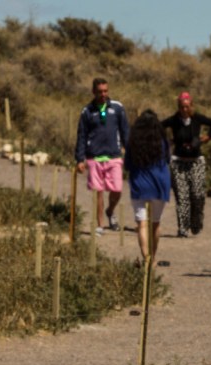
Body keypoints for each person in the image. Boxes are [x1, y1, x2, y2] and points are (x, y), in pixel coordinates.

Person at [75, 78, 129, 235]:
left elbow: (125, 131)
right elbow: (82, 136)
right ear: (93, 92)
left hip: (114, 156)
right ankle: (101, 225)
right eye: (100, 91)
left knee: (117, 189)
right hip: (94, 157)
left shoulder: (117, 108)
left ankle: (110, 211)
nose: (103, 94)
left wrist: (130, 152)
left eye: (106, 91)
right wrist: (80, 158)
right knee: (98, 192)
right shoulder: (87, 111)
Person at [161, 92, 211, 238]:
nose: (184, 110)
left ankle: (196, 222)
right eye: (181, 107)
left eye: (187, 107)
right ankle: (183, 228)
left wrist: (207, 137)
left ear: (191, 106)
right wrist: (168, 140)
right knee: (182, 196)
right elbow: (159, 126)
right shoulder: (174, 120)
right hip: (178, 162)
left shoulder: (197, 118)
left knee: (197, 194)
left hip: (196, 161)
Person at [124, 110, 172, 266]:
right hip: (160, 184)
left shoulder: (133, 142)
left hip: (140, 184)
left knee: (142, 224)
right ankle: (153, 256)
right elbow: (168, 160)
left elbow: (127, 165)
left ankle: (146, 257)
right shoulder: (162, 142)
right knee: (155, 224)